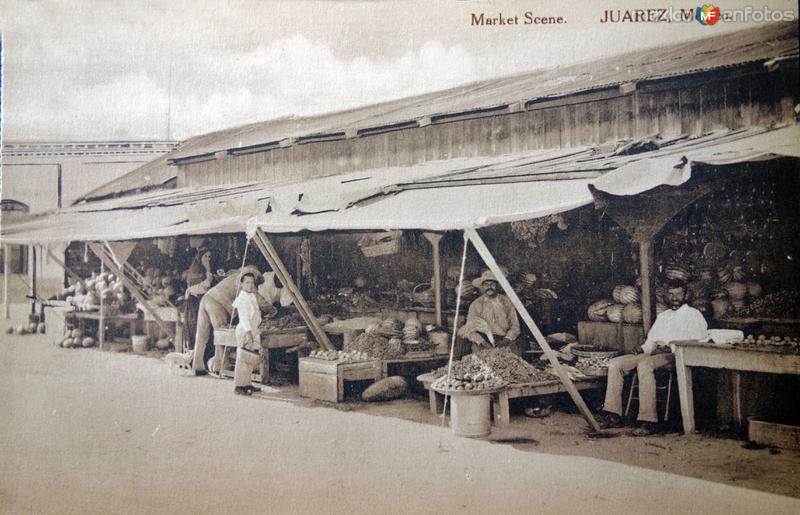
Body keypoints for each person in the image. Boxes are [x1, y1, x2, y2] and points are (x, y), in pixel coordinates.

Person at [601, 280, 708, 436]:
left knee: (645, 364)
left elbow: (698, 340)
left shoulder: (693, 315)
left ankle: (648, 420)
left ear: (685, 295)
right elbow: (651, 342)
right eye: (671, 294)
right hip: (654, 353)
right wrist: (642, 348)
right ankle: (613, 413)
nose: (674, 297)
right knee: (616, 364)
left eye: (678, 293)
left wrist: (670, 346)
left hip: (675, 355)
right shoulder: (664, 315)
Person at [191, 265, 267, 374]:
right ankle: (221, 366)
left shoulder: (234, 276)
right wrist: (272, 310)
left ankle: (197, 366)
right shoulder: (245, 281)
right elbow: (258, 299)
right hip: (217, 303)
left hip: (206, 298)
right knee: (221, 335)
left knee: (202, 334)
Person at [460, 270, 521, 355]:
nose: (489, 287)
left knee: (513, 359)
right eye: (486, 284)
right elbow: (470, 330)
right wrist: (484, 343)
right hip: (483, 341)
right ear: (482, 286)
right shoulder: (476, 304)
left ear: (497, 285)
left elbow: (515, 327)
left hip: (504, 339)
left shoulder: (506, 302)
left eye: (492, 284)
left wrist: (506, 340)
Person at [231, 273, 271, 395]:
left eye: (252, 283)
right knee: (243, 358)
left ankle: (247, 383)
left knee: (250, 358)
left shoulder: (252, 296)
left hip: (253, 329)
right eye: (247, 282)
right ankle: (239, 386)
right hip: (245, 330)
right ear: (242, 284)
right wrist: (249, 334)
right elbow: (243, 318)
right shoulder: (242, 299)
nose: (250, 285)